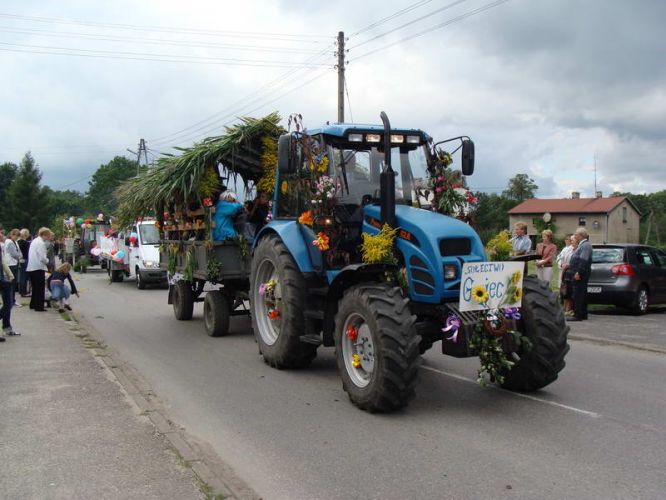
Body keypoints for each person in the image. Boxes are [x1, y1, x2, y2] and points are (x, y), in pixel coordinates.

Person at [567, 227, 593, 321]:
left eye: (576, 235)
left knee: (578, 294)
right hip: (580, 272)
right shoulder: (583, 245)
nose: (575, 236)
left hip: (581, 273)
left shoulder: (585, 245)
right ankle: (582, 313)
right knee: (581, 293)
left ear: (581, 235)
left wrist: (579, 272)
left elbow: (584, 260)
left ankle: (578, 314)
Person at [27, 227, 51, 312]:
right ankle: (39, 306)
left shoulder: (34, 241)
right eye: (48, 235)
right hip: (38, 267)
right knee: (40, 288)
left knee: (35, 287)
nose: (49, 237)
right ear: (44, 235)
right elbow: (42, 258)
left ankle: (33, 304)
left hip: (32, 267)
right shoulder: (41, 243)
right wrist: (47, 260)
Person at [0, 242, 19, 339]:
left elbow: (2, 262)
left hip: (2, 279)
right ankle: (6, 327)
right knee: (8, 304)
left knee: (8, 303)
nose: (2, 235)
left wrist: (9, 274)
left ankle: (7, 327)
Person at [556, 235, 576, 315]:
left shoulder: (576, 249)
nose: (570, 242)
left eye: (571, 240)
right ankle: (564, 308)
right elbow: (559, 258)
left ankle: (569, 309)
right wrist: (561, 265)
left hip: (571, 271)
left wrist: (568, 265)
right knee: (564, 290)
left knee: (569, 291)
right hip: (564, 271)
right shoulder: (566, 249)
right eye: (569, 240)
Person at [4, 229, 22, 307]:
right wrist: (19, 256)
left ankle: (12, 300)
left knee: (13, 284)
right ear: (12, 235)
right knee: (12, 283)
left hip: (14, 263)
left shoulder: (15, 242)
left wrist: (19, 255)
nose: (17, 238)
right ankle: (11, 300)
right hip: (11, 264)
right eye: (16, 236)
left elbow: (19, 252)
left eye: (18, 236)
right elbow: (15, 254)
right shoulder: (9, 242)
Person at [17, 228, 31, 297]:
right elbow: (28, 253)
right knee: (24, 277)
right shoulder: (26, 243)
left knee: (20, 276)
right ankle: (24, 292)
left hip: (19, 260)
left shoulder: (17, 242)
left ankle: (20, 291)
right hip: (25, 260)